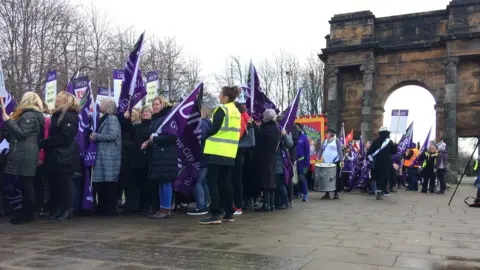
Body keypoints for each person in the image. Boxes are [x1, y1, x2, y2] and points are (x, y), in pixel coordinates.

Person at [200, 86, 241, 225]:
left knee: (212, 181)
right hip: (230, 152)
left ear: (225, 98)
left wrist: (204, 135)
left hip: (216, 150)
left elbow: (215, 128)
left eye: (220, 95)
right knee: (226, 182)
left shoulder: (222, 109)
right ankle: (229, 213)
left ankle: (215, 213)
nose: (219, 97)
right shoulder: (236, 111)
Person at [3, 92, 45, 224]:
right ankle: (28, 211)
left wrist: (9, 121)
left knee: (26, 183)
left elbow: (22, 133)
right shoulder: (31, 114)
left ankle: (28, 213)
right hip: (25, 151)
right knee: (24, 182)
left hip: (25, 152)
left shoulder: (29, 115)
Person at [40, 91, 80, 220]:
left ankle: (67, 208)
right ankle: (59, 208)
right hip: (56, 153)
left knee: (65, 183)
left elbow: (66, 136)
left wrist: (46, 143)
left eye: (59, 97)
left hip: (63, 154)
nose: (56, 99)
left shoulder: (68, 115)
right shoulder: (57, 115)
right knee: (56, 183)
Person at [146, 96, 177, 219]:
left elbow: (172, 137)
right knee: (161, 182)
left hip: (166, 155)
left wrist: (156, 139)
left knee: (165, 182)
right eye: (153, 105)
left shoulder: (168, 119)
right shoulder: (157, 119)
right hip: (159, 155)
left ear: (163, 105)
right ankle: (162, 208)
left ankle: (166, 208)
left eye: (157, 104)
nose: (154, 106)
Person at [91, 98, 122, 216]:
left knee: (108, 184)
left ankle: (109, 208)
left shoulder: (112, 119)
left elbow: (113, 135)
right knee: (101, 183)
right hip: (103, 156)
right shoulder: (104, 119)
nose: (100, 105)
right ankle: (103, 206)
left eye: (102, 103)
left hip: (110, 156)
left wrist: (97, 136)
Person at [255, 109, 280, 212]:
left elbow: (258, 142)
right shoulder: (277, 128)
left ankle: (266, 204)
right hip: (273, 156)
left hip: (264, 156)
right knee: (272, 179)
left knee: (265, 180)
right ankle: (272, 204)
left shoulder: (264, 129)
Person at [188, 109, 211, 216]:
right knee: (204, 182)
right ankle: (206, 204)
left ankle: (200, 206)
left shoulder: (200, 124)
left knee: (197, 182)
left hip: (199, 156)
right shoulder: (208, 123)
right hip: (206, 155)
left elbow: (199, 138)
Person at [130, 106, 153, 214]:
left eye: (147, 112)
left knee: (147, 184)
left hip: (147, 158)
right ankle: (141, 205)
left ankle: (149, 205)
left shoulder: (152, 125)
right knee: (139, 183)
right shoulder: (137, 126)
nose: (145, 113)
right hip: (137, 158)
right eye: (143, 112)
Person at [367, 127, 397, 200]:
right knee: (384, 178)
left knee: (378, 178)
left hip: (377, 163)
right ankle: (381, 191)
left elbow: (369, 153)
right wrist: (395, 145)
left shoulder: (375, 141)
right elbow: (394, 151)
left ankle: (379, 192)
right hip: (386, 164)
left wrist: (371, 161)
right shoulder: (389, 142)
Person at [232, 100, 251, 215]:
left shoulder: (239, 117)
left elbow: (237, 134)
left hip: (236, 151)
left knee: (235, 180)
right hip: (241, 152)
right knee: (237, 179)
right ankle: (238, 204)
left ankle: (237, 205)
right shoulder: (245, 116)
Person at [316, 128, 343, 200]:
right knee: (326, 178)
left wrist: (342, 161)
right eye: (326, 133)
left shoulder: (336, 141)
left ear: (331, 134)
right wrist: (318, 157)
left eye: (327, 133)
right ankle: (327, 193)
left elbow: (340, 151)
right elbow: (321, 150)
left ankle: (336, 193)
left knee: (336, 177)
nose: (326, 134)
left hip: (335, 162)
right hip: (326, 162)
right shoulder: (324, 141)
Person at [296, 124, 310, 202]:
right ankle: (297, 192)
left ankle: (305, 194)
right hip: (293, 161)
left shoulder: (304, 138)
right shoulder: (292, 136)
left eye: (297, 128)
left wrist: (306, 164)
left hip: (301, 162)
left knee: (302, 178)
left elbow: (307, 152)